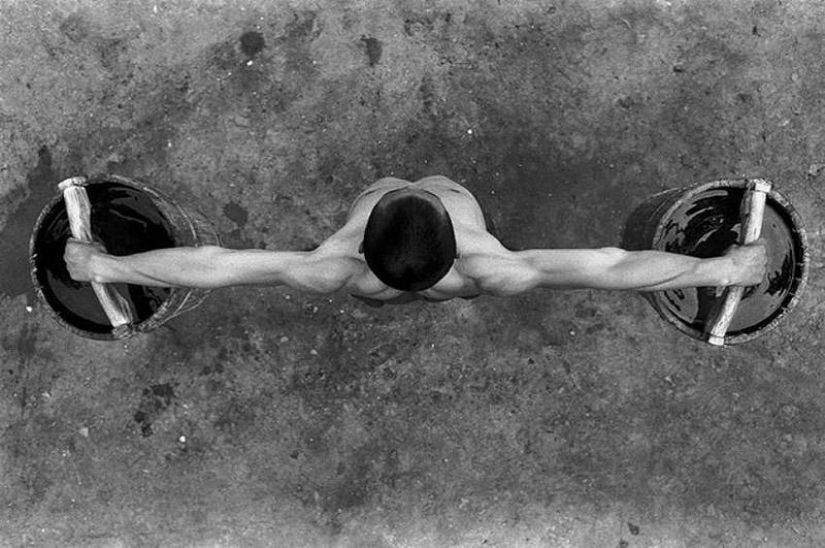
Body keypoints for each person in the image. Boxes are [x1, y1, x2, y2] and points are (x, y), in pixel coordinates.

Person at [64, 175, 768, 306]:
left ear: (364, 235)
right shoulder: (493, 267)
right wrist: (713, 272)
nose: (416, 185)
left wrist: (108, 264)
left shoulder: (331, 266)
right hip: (453, 285)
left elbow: (215, 266)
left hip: (371, 290)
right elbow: (612, 267)